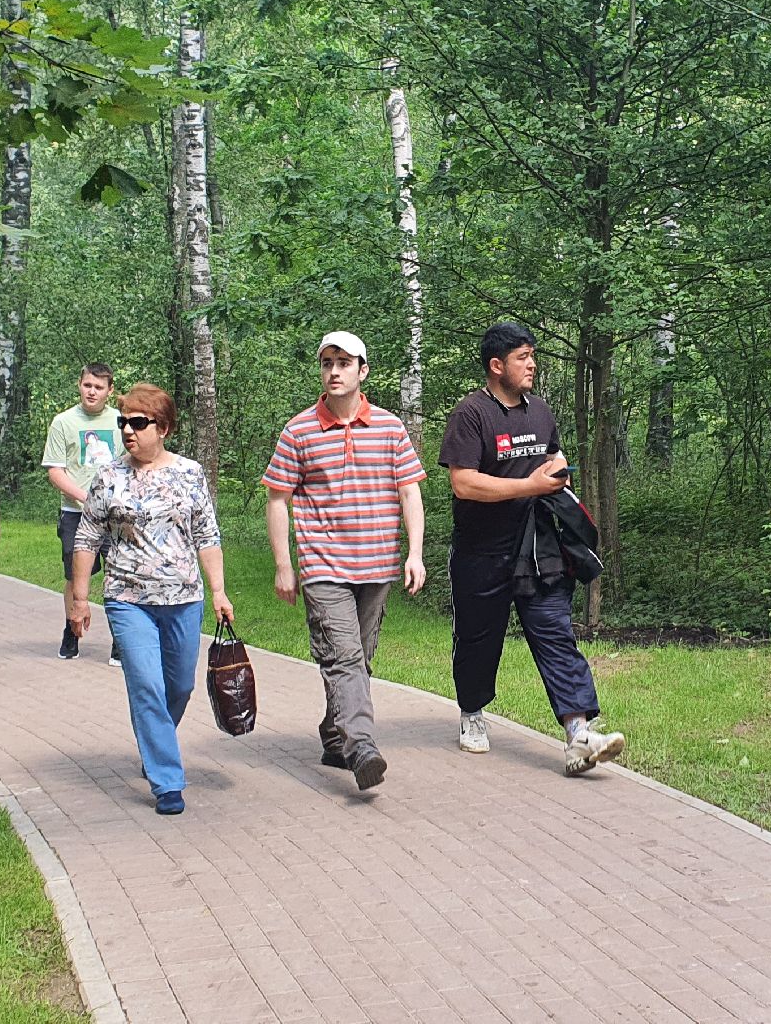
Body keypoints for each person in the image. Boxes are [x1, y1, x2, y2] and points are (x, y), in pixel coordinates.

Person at [440, 322, 625, 776]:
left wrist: (557, 469)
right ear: (496, 365)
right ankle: (472, 714)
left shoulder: (540, 412)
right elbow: (463, 483)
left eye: (532, 356)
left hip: (538, 549)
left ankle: (579, 736)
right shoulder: (471, 414)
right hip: (482, 551)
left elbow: (553, 456)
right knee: (478, 641)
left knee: (556, 636)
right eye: (523, 357)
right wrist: (528, 485)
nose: (532, 364)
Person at [263, 331, 426, 792]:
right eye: (327, 363)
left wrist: (414, 554)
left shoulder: (391, 429)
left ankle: (335, 737)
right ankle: (362, 748)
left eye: (343, 363)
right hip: (323, 564)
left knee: (358, 659)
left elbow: (410, 491)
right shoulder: (299, 430)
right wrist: (284, 564)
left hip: (377, 563)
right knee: (345, 656)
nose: (333, 371)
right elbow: (278, 499)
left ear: (363, 370)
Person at [65, 383, 233, 816]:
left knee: (179, 686)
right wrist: (80, 599)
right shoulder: (109, 477)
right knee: (146, 685)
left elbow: (207, 534)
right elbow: (87, 537)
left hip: (183, 598)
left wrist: (218, 590)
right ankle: (167, 781)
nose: (128, 431)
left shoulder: (190, 473)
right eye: (123, 422)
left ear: (164, 428)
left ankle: (153, 742)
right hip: (128, 598)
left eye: (138, 423)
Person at [41, 363, 122, 659]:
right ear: (80, 385)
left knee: (119, 574)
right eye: (88, 385)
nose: (92, 392)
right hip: (76, 512)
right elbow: (55, 471)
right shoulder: (63, 422)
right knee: (75, 577)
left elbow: (132, 462)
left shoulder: (120, 420)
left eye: (99, 387)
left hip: (116, 514)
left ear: (109, 391)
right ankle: (71, 630)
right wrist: (85, 498)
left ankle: (120, 639)